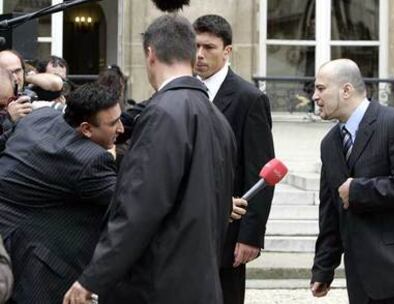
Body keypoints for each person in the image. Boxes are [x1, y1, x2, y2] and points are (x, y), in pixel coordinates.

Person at [63, 14, 236, 304]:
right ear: (192, 55)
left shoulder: (163, 113)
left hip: (157, 287)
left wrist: (92, 279)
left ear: (150, 53)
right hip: (201, 286)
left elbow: (139, 207)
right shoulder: (218, 118)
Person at [0, 82, 123, 304]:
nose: (121, 129)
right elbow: (129, 206)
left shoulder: (39, 118)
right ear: (86, 128)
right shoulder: (90, 161)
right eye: (114, 123)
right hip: (37, 271)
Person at [311, 59, 394, 303]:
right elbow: (330, 212)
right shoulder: (329, 144)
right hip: (360, 283)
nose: (314, 96)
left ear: (346, 90)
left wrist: (358, 190)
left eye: (321, 88)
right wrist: (323, 268)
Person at [193, 14, 275, 304]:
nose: (200, 54)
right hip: (187, 233)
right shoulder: (180, 91)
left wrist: (250, 235)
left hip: (227, 235)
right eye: (196, 46)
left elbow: (261, 173)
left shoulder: (248, 98)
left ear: (227, 51)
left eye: (209, 47)